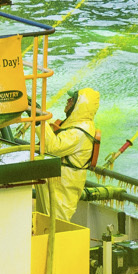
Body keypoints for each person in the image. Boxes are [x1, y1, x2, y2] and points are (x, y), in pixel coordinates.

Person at [41, 87, 101, 224]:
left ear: (79, 106)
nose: (68, 101)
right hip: (58, 183)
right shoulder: (77, 125)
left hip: (63, 186)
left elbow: (53, 148)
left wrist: (41, 122)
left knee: (56, 223)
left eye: (72, 99)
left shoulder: (79, 132)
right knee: (47, 221)